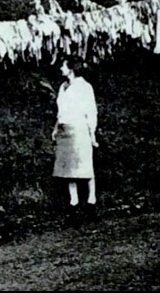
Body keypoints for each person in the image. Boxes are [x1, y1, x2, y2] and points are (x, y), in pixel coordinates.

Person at [51, 57, 99, 225]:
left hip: (79, 129)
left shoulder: (85, 87)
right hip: (65, 130)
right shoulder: (63, 87)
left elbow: (90, 111)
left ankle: (91, 202)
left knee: (85, 166)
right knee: (68, 169)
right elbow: (61, 111)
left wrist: (92, 133)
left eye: (63, 65)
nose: (60, 68)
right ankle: (74, 204)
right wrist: (56, 128)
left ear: (71, 68)